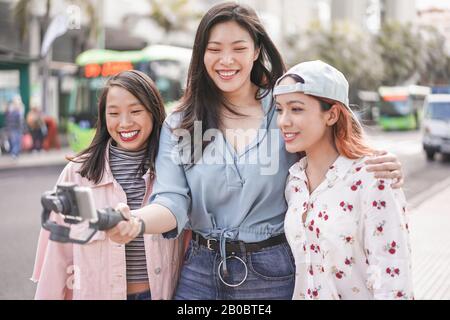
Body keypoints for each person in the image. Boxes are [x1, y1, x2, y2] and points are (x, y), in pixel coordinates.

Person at [107, 2, 404, 300]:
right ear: (201, 54)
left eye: (238, 48)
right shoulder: (180, 123)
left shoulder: (284, 110)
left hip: (272, 273)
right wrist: (137, 222)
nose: (226, 60)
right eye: (214, 49)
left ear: (256, 50)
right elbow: (171, 200)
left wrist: (376, 162)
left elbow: (335, 147)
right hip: (199, 272)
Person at [31, 70, 185, 300]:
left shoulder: (173, 171)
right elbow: (57, 252)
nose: (124, 123)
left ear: (154, 112)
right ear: (103, 117)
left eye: (135, 111)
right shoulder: (77, 173)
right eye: (113, 113)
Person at [275, 60, 413, 299]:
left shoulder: (374, 177)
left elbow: (394, 281)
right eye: (279, 109)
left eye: (296, 109)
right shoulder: (294, 181)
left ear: (332, 115)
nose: (283, 121)